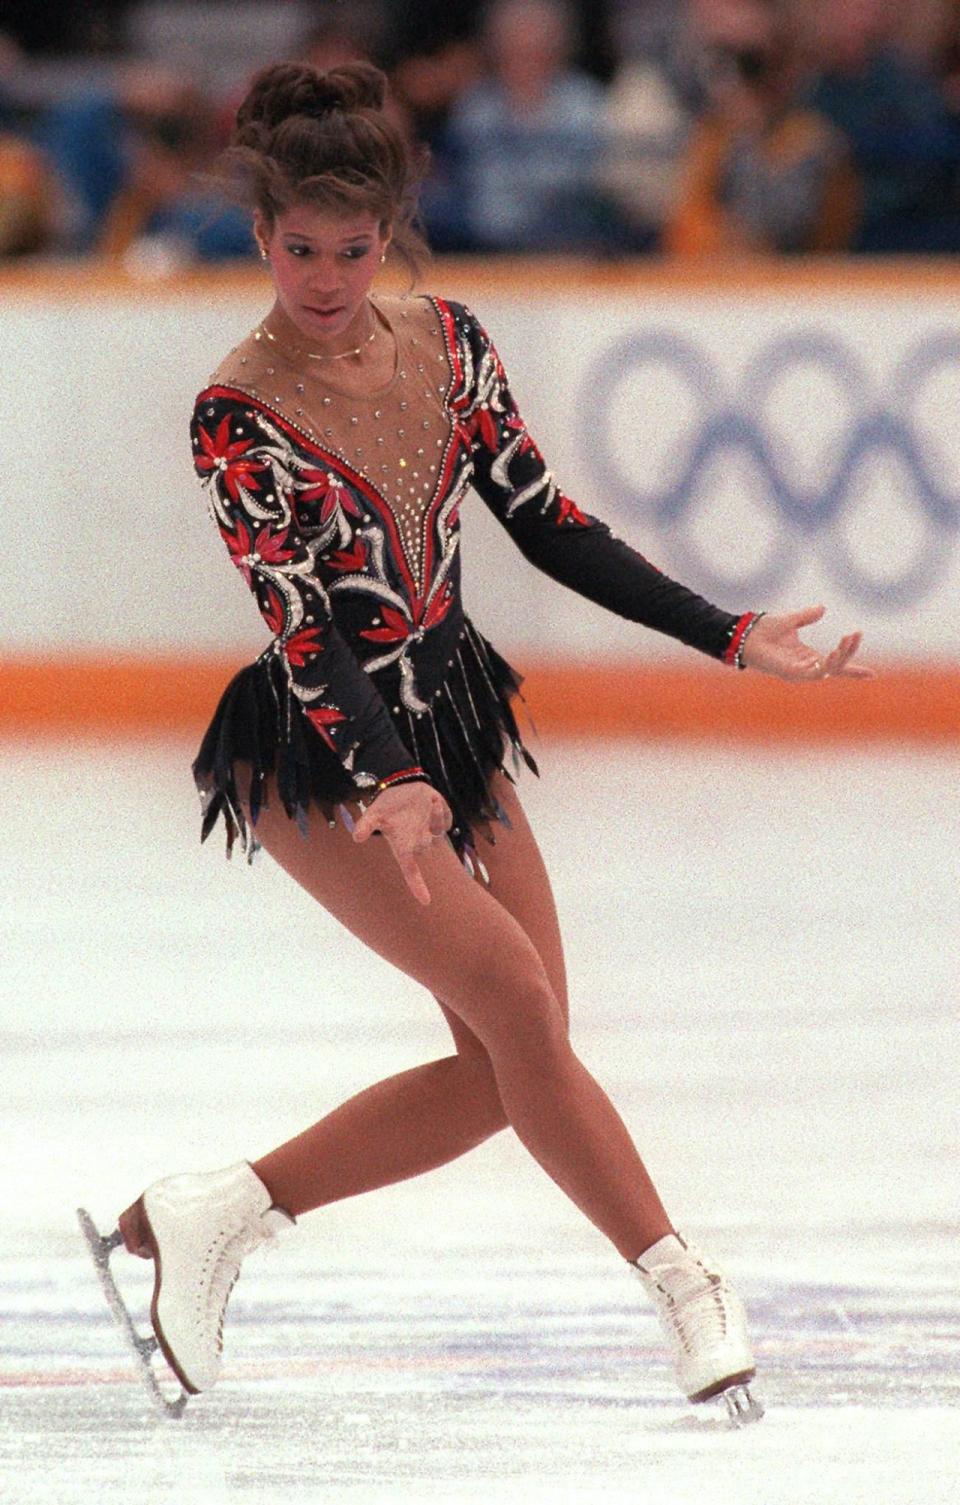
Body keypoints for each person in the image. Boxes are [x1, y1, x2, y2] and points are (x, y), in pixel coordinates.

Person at [112, 58, 871, 1419]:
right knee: (521, 1012)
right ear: (259, 235)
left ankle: (225, 1206)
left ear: (392, 232)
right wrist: (389, 782)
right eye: (300, 250)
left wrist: (728, 629)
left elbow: (550, 523)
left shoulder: (452, 341)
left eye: (354, 249)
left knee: (510, 1064)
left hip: (449, 724)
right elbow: (303, 627)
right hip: (321, 757)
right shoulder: (236, 417)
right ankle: (681, 1278)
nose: (328, 277)